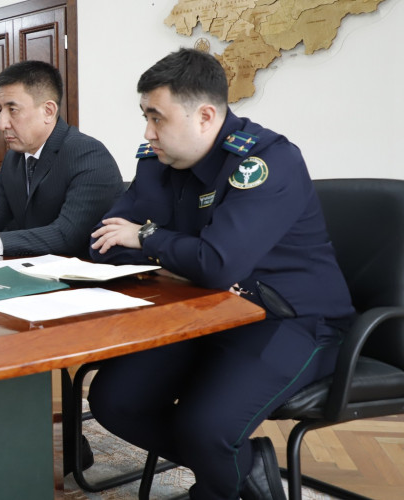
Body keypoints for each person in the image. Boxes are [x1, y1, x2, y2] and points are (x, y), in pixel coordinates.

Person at [87, 48, 355, 499]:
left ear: (205, 116)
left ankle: (217, 481)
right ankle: (243, 466)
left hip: (289, 318)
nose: (148, 132)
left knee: (207, 427)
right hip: (203, 310)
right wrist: (173, 257)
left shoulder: (266, 162)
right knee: (115, 402)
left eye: (157, 118)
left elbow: (216, 263)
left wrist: (150, 238)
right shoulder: (158, 161)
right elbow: (104, 244)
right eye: (145, 117)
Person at [0, 60, 122, 257]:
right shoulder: (14, 158)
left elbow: (66, 235)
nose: (2, 124)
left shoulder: (88, 155)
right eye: (0, 110)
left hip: (84, 273)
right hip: (32, 268)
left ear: (48, 111)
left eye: (13, 110)